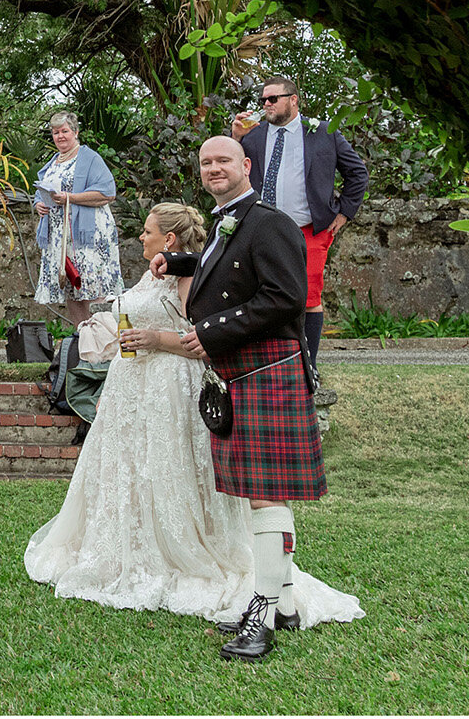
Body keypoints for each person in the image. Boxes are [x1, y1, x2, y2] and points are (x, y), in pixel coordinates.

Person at [24, 202, 363, 633]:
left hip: (169, 384)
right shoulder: (160, 268)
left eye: (147, 231)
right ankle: (141, 548)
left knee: (175, 474)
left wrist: (154, 338)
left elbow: (199, 337)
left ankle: (271, 597)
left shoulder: (195, 275)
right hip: (132, 388)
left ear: (168, 238)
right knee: (135, 473)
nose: (141, 238)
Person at [159, 136, 333, 661]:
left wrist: (211, 332)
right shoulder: (227, 222)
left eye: (223, 161)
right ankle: (279, 604)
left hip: (267, 369)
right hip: (243, 373)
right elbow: (233, 268)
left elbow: (285, 299)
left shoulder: (270, 221)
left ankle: (261, 613)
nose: (214, 168)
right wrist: (182, 262)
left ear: (245, 166)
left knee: (265, 496)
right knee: (265, 496)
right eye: (207, 162)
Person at [233, 77, 370, 395]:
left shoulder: (323, 131)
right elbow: (234, 170)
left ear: (293, 100)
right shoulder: (253, 136)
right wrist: (235, 137)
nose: (265, 104)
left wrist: (344, 213)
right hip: (261, 229)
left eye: (273, 99)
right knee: (259, 295)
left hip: (308, 230)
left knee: (308, 299)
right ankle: (266, 365)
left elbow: (357, 173)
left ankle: (309, 367)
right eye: (263, 99)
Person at [31, 110, 120, 324]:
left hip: (88, 236)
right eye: (55, 132)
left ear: (76, 132)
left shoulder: (89, 158)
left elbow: (108, 192)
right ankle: (83, 337)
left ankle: (103, 339)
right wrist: (39, 204)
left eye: (65, 131)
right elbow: (42, 190)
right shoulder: (53, 163)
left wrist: (71, 197)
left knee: (93, 286)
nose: (60, 136)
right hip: (62, 238)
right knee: (72, 286)